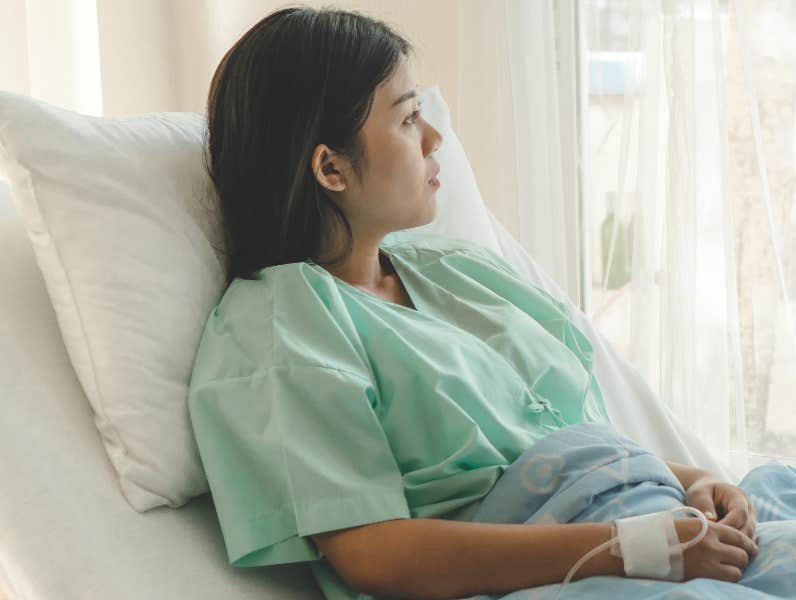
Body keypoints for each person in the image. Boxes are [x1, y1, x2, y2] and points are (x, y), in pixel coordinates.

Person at [188, 7, 759, 600]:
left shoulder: (462, 271)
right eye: (409, 119)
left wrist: (696, 483)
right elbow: (373, 555)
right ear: (331, 167)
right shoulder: (283, 326)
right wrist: (641, 547)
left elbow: (576, 443)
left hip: (655, 526)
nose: (435, 138)